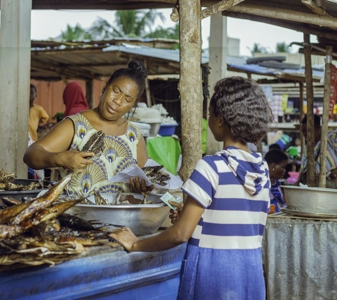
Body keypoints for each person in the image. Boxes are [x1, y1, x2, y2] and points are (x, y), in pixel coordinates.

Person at [110, 77, 273, 300]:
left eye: (211, 112)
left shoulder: (211, 166)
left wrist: (136, 244)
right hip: (250, 272)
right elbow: (230, 221)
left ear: (220, 120)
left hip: (212, 271)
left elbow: (180, 234)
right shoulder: (262, 170)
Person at [23, 60, 153, 194]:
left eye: (127, 99)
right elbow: (30, 155)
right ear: (105, 87)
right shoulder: (76, 125)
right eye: (115, 91)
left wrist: (142, 187)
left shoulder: (134, 136)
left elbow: (145, 179)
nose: (118, 101)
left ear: (133, 104)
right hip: (78, 213)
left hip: (121, 214)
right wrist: (60, 158)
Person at [298, 114, 337, 188]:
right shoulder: (307, 148)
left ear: (317, 128)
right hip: (314, 187)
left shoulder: (332, 139)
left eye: (307, 131)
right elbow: (302, 170)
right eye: (303, 132)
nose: (305, 135)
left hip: (331, 185)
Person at [264, 149, 288, 213]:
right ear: (273, 166)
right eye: (283, 167)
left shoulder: (277, 183)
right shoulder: (261, 183)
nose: (284, 171)